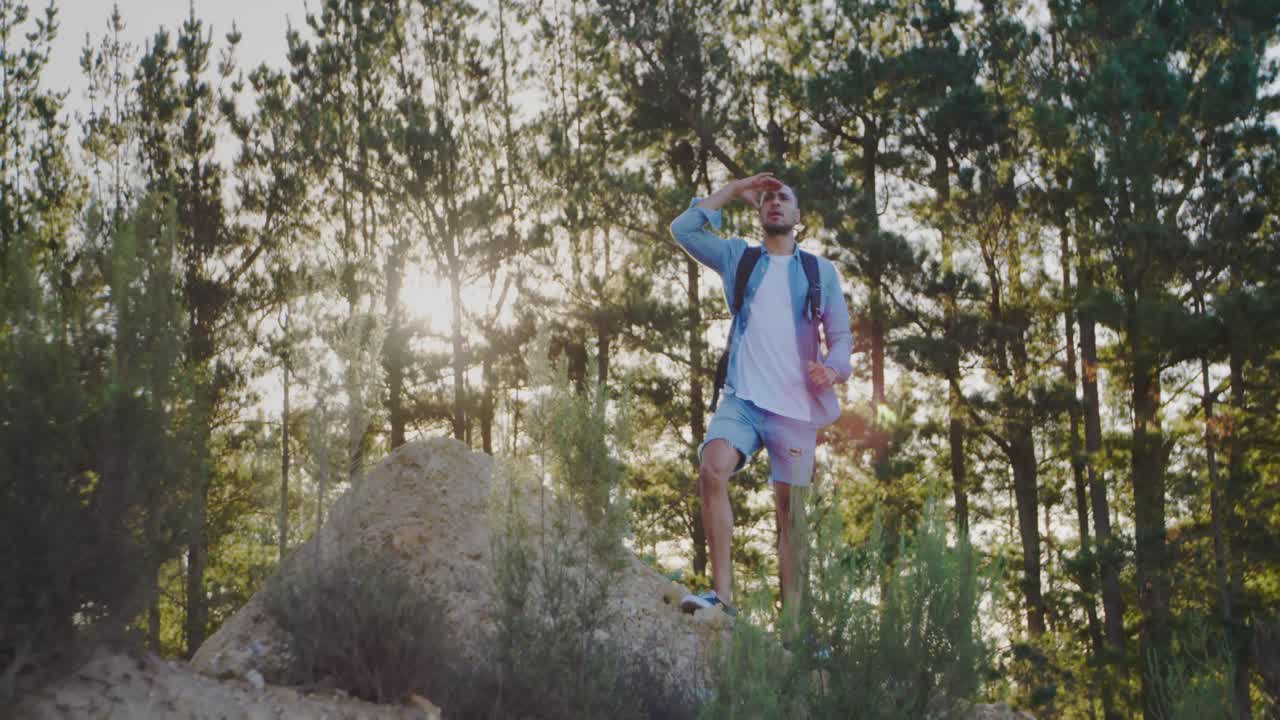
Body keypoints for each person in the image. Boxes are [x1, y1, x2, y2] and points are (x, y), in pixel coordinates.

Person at [670, 172, 853, 617]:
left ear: (796, 215)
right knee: (712, 468)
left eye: (783, 198)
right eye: (767, 197)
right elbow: (684, 230)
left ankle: (793, 629)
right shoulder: (739, 258)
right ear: (759, 210)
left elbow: (843, 337)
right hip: (743, 401)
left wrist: (832, 369)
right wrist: (732, 189)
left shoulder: (819, 272)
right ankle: (722, 598)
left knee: (790, 518)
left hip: (794, 412)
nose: (774, 203)